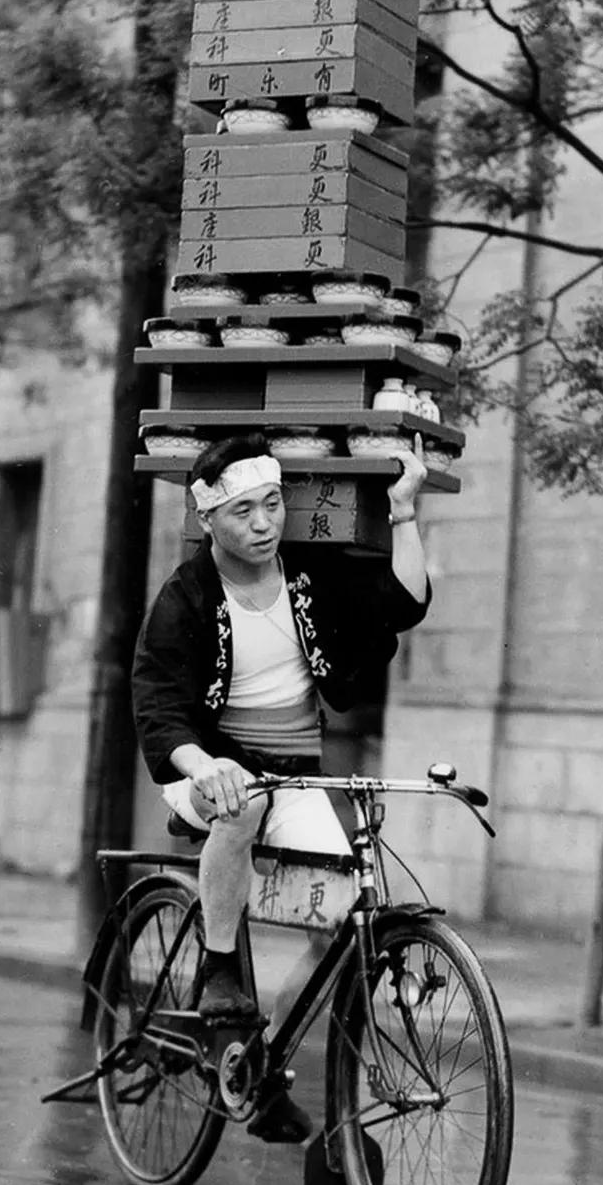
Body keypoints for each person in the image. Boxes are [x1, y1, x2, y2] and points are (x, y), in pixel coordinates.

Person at [131, 430, 430, 1137]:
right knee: (238, 805)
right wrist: (204, 764)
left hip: (292, 776)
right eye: (243, 512)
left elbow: (402, 602)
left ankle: (255, 1063)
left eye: (272, 504)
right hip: (208, 767)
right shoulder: (187, 596)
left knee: (341, 924)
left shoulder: (306, 578)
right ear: (208, 519)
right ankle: (222, 973)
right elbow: (158, 701)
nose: (263, 523)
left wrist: (405, 512)